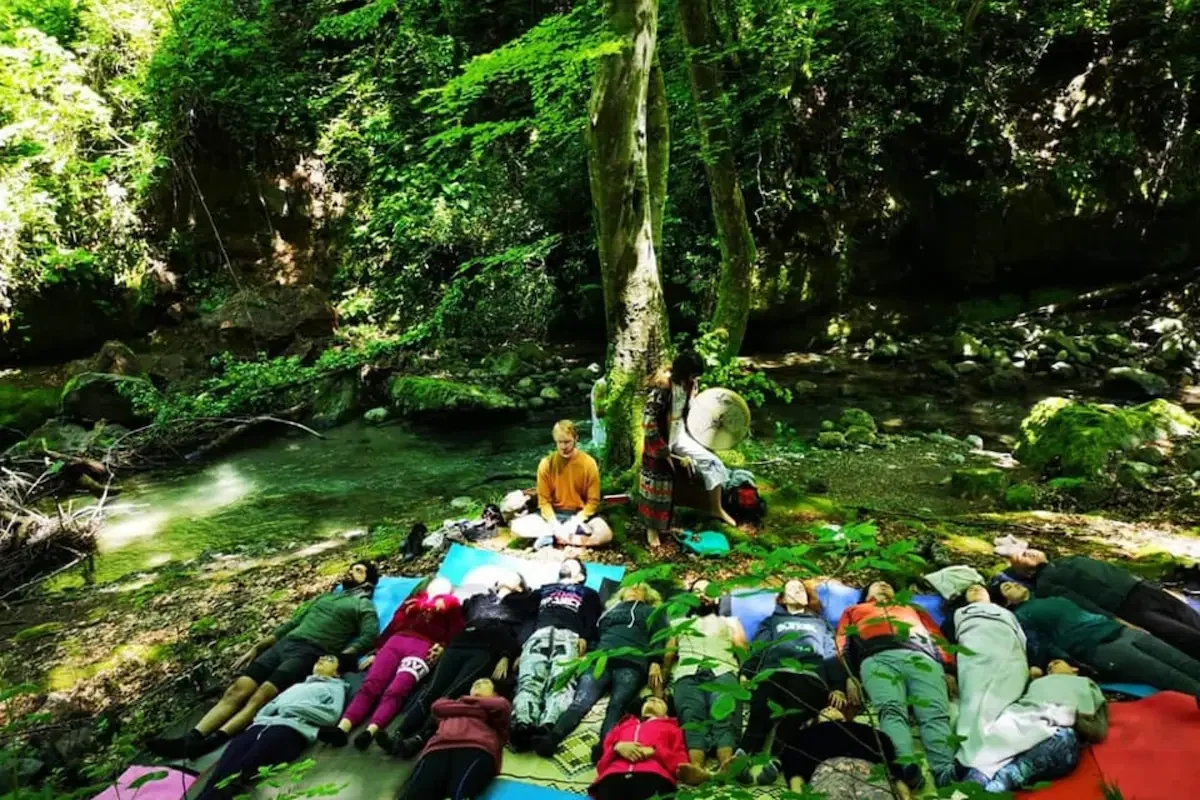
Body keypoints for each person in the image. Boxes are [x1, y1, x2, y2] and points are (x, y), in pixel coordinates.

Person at [150, 561, 380, 759]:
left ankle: (208, 744)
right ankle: (191, 738)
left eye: (358, 570)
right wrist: (259, 646)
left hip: (309, 651)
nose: (350, 572)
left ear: (368, 581)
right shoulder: (327, 596)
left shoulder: (362, 604)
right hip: (285, 644)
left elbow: (369, 635)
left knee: (263, 695)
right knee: (237, 689)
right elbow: (293, 622)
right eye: (350, 568)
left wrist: (344, 655)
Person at [384, 572, 535, 756]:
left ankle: (419, 740)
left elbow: (519, 632)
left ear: (520, 587)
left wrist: (507, 655)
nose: (506, 576)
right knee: (433, 690)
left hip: (486, 649)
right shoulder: (478, 600)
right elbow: (455, 620)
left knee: (453, 694)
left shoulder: (523, 603)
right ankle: (399, 734)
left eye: (514, 577)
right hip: (459, 643)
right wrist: (442, 643)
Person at [836, 580, 957, 790]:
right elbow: (843, 641)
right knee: (890, 710)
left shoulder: (912, 609)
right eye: (876, 584)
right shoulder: (854, 610)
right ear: (866, 594)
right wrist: (849, 675)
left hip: (922, 658)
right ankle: (905, 766)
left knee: (934, 712)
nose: (883, 586)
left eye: (887, 584)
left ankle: (945, 771)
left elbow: (936, 636)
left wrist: (947, 668)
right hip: (876, 659)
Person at [953, 584, 1077, 785]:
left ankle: (985, 762)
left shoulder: (1008, 614)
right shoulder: (958, 614)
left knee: (1008, 704)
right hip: (975, 653)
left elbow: (1027, 637)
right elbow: (950, 641)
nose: (975, 590)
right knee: (975, 703)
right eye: (970, 590)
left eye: (980, 587)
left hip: (1010, 653)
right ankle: (978, 756)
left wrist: (1035, 663)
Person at [320, 577, 463, 750]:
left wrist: (443, 646)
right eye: (436, 582)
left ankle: (371, 731)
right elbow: (392, 626)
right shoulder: (411, 602)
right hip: (394, 642)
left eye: (445, 584)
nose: (439, 585)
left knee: (396, 690)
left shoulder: (453, 607)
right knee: (371, 684)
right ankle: (342, 728)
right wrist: (376, 651)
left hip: (422, 647)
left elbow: (456, 630)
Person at [533, 582, 669, 760]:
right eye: (631, 587)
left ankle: (604, 748)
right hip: (600, 661)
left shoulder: (652, 612)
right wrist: (588, 655)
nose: (634, 590)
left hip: (632, 662)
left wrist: (655, 662)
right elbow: (596, 637)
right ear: (622, 593)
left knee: (617, 706)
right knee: (580, 702)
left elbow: (660, 637)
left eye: (640, 588)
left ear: (648, 595)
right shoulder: (608, 613)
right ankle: (552, 739)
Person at [1000, 581, 1200, 699]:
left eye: (1012, 581)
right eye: (1006, 586)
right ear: (1007, 601)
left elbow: (1090, 610)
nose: (1013, 584)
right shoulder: (1021, 615)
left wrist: (1127, 625)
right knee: (1169, 676)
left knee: (1181, 660)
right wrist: (1075, 662)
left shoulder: (1051, 597)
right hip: (1101, 647)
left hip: (1120, 630)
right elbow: (1040, 644)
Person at [195, 654, 353, 800]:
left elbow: (331, 715)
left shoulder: (336, 688)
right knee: (226, 763)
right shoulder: (297, 686)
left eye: (330, 660)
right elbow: (270, 705)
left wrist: (293, 709)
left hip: (291, 728)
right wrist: (264, 716)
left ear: (337, 673)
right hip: (261, 724)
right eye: (321, 658)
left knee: (248, 765)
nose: (322, 659)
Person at [736, 579, 846, 786]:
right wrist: (747, 672)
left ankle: (776, 759)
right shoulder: (772, 620)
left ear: (807, 597)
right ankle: (742, 755)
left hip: (809, 674)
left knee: (794, 715)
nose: (797, 592)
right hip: (774, 670)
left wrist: (838, 686)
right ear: (783, 598)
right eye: (791, 589)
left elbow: (831, 654)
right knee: (760, 711)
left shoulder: (820, 623)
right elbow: (759, 647)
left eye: (801, 589)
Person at [1007, 548, 1200, 659]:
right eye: (1022, 556)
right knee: (1182, 634)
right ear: (1026, 573)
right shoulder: (1045, 584)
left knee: (1191, 617)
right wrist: (1122, 623)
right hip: (1126, 606)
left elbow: (1114, 571)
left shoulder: (1068, 559)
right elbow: (1082, 604)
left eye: (1027, 550)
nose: (1028, 553)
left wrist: (1156, 587)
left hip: (1141, 588)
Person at [637, 352, 735, 542]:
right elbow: (648, 422)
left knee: (712, 462)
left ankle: (716, 509)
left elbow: (693, 410)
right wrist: (662, 449)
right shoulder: (662, 389)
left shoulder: (690, 385)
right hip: (660, 438)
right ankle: (652, 529)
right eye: (692, 374)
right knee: (658, 483)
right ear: (682, 372)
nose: (694, 379)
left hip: (681, 433)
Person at [511, 558, 603, 750]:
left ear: (581, 575)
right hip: (539, 634)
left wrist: (585, 638)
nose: (566, 564)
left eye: (572, 563)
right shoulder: (544, 589)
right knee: (529, 677)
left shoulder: (589, 593)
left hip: (569, 636)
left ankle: (548, 724)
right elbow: (528, 616)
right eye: (564, 561)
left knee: (561, 680)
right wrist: (521, 645)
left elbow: (593, 618)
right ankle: (523, 723)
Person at [666, 578, 748, 773]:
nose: (702, 595)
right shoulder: (678, 623)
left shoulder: (731, 622)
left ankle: (726, 762)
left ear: (717, 598)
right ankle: (696, 767)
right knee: (691, 714)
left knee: (725, 713)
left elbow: (743, 650)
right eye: (696, 592)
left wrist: (745, 675)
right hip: (688, 673)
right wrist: (660, 680)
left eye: (707, 591)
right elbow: (669, 653)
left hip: (723, 670)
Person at [396, 678, 510, 800]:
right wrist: (475, 708)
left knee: (461, 793)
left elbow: (501, 705)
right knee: (414, 795)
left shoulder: (498, 707)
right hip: (438, 748)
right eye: (475, 683)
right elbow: (437, 706)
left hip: (476, 749)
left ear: (496, 694)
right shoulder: (465, 705)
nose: (478, 684)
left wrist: (459, 705)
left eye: (485, 683)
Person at [511, 420, 612, 549]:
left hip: (580, 516)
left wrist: (575, 521)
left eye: (567, 442)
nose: (563, 447)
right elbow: (544, 502)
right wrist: (554, 524)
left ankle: (560, 538)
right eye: (559, 442)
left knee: (605, 534)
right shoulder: (546, 464)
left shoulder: (588, 463)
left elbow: (593, 502)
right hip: (553, 515)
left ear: (576, 439)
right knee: (516, 527)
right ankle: (557, 534)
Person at [772, 705, 906, 798]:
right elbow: (794, 767)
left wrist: (905, 795)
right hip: (829, 772)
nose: (830, 708)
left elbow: (891, 764)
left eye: (835, 708)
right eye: (824, 709)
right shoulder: (805, 735)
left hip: (871, 772)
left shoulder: (868, 731)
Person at [589, 696, 708, 800]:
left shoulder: (673, 729)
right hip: (612, 778)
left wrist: (655, 751)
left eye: (659, 702)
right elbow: (602, 764)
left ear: (667, 713)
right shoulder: (622, 726)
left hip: (653, 777)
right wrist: (617, 748)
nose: (652, 700)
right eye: (647, 700)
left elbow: (680, 763)